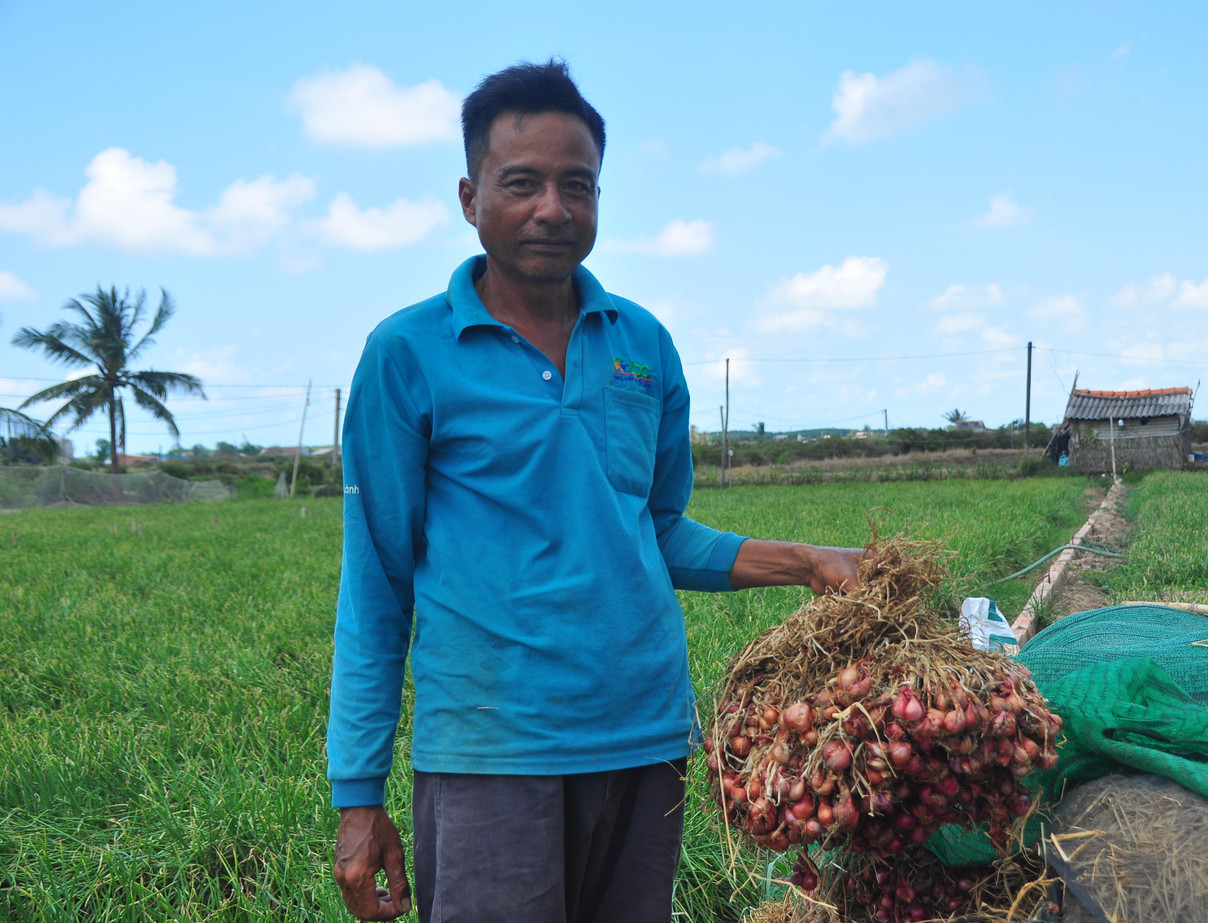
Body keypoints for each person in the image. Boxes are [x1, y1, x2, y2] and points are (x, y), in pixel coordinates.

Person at [327, 59, 863, 923]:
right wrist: (357, 793)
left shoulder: (642, 343)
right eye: (522, 183)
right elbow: (377, 581)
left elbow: (658, 531)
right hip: (493, 751)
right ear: (470, 198)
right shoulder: (407, 354)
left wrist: (809, 561)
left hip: (647, 740)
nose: (552, 207)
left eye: (577, 184)